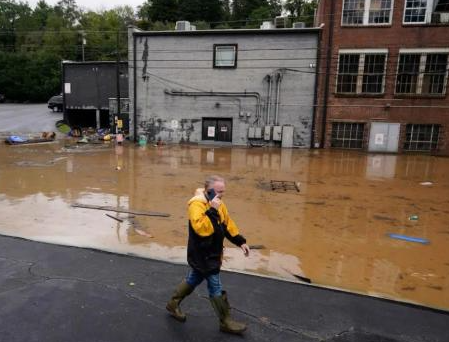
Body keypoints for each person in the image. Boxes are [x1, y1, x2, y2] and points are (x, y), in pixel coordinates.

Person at [166, 175, 250, 334]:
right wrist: (212, 209)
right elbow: (202, 230)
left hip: (213, 254)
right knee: (215, 286)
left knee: (194, 278)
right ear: (208, 190)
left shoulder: (220, 204)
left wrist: (241, 242)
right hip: (202, 255)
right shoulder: (196, 205)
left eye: (223, 191)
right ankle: (225, 321)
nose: (221, 195)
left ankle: (172, 304)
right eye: (219, 192)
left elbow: (227, 224)